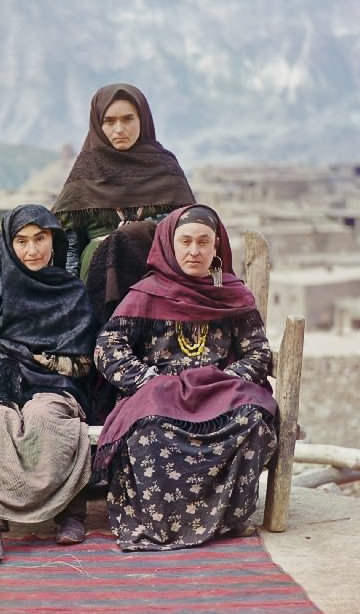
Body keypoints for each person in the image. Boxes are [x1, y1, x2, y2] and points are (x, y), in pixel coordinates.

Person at [92, 204, 278, 551]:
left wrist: (230, 380)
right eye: (186, 241)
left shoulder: (233, 295)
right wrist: (146, 379)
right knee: (148, 431)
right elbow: (108, 346)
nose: (195, 251)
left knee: (253, 421)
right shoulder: (146, 293)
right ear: (169, 245)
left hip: (220, 393)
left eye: (204, 242)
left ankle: (226, 520)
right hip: (159, 394)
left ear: (217, 247)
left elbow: (258, 350)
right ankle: (160, 524)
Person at [0, 204, 100, 564]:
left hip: (56, 381)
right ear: (9, 245)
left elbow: (83, 354)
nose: (32, 250)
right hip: (1, 377)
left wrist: (48, 365)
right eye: (22, 240)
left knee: (50, 420)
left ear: (54, 241)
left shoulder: (71, 291)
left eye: (40, 239)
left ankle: (70, 515)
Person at [51, 83, 195, 283]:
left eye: (128, 119)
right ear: (97, 124)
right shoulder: (85, 171)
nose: (119, 129)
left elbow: (187, 229)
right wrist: (71, 295)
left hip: (158, 279)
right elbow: (69, 244)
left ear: (142, 120)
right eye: (109, 121)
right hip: (96, 280)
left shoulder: (166, 167)